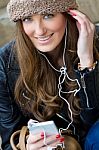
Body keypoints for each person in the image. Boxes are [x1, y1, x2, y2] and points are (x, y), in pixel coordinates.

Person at [0, 0, 99, 149]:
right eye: (28, 19)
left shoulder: (95, 40)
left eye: (48, 15)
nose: (39, 31)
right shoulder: (6, 62)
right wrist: (27, 146)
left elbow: (94, 122)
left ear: (69, 14)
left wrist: (87, 62)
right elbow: (9, 142)